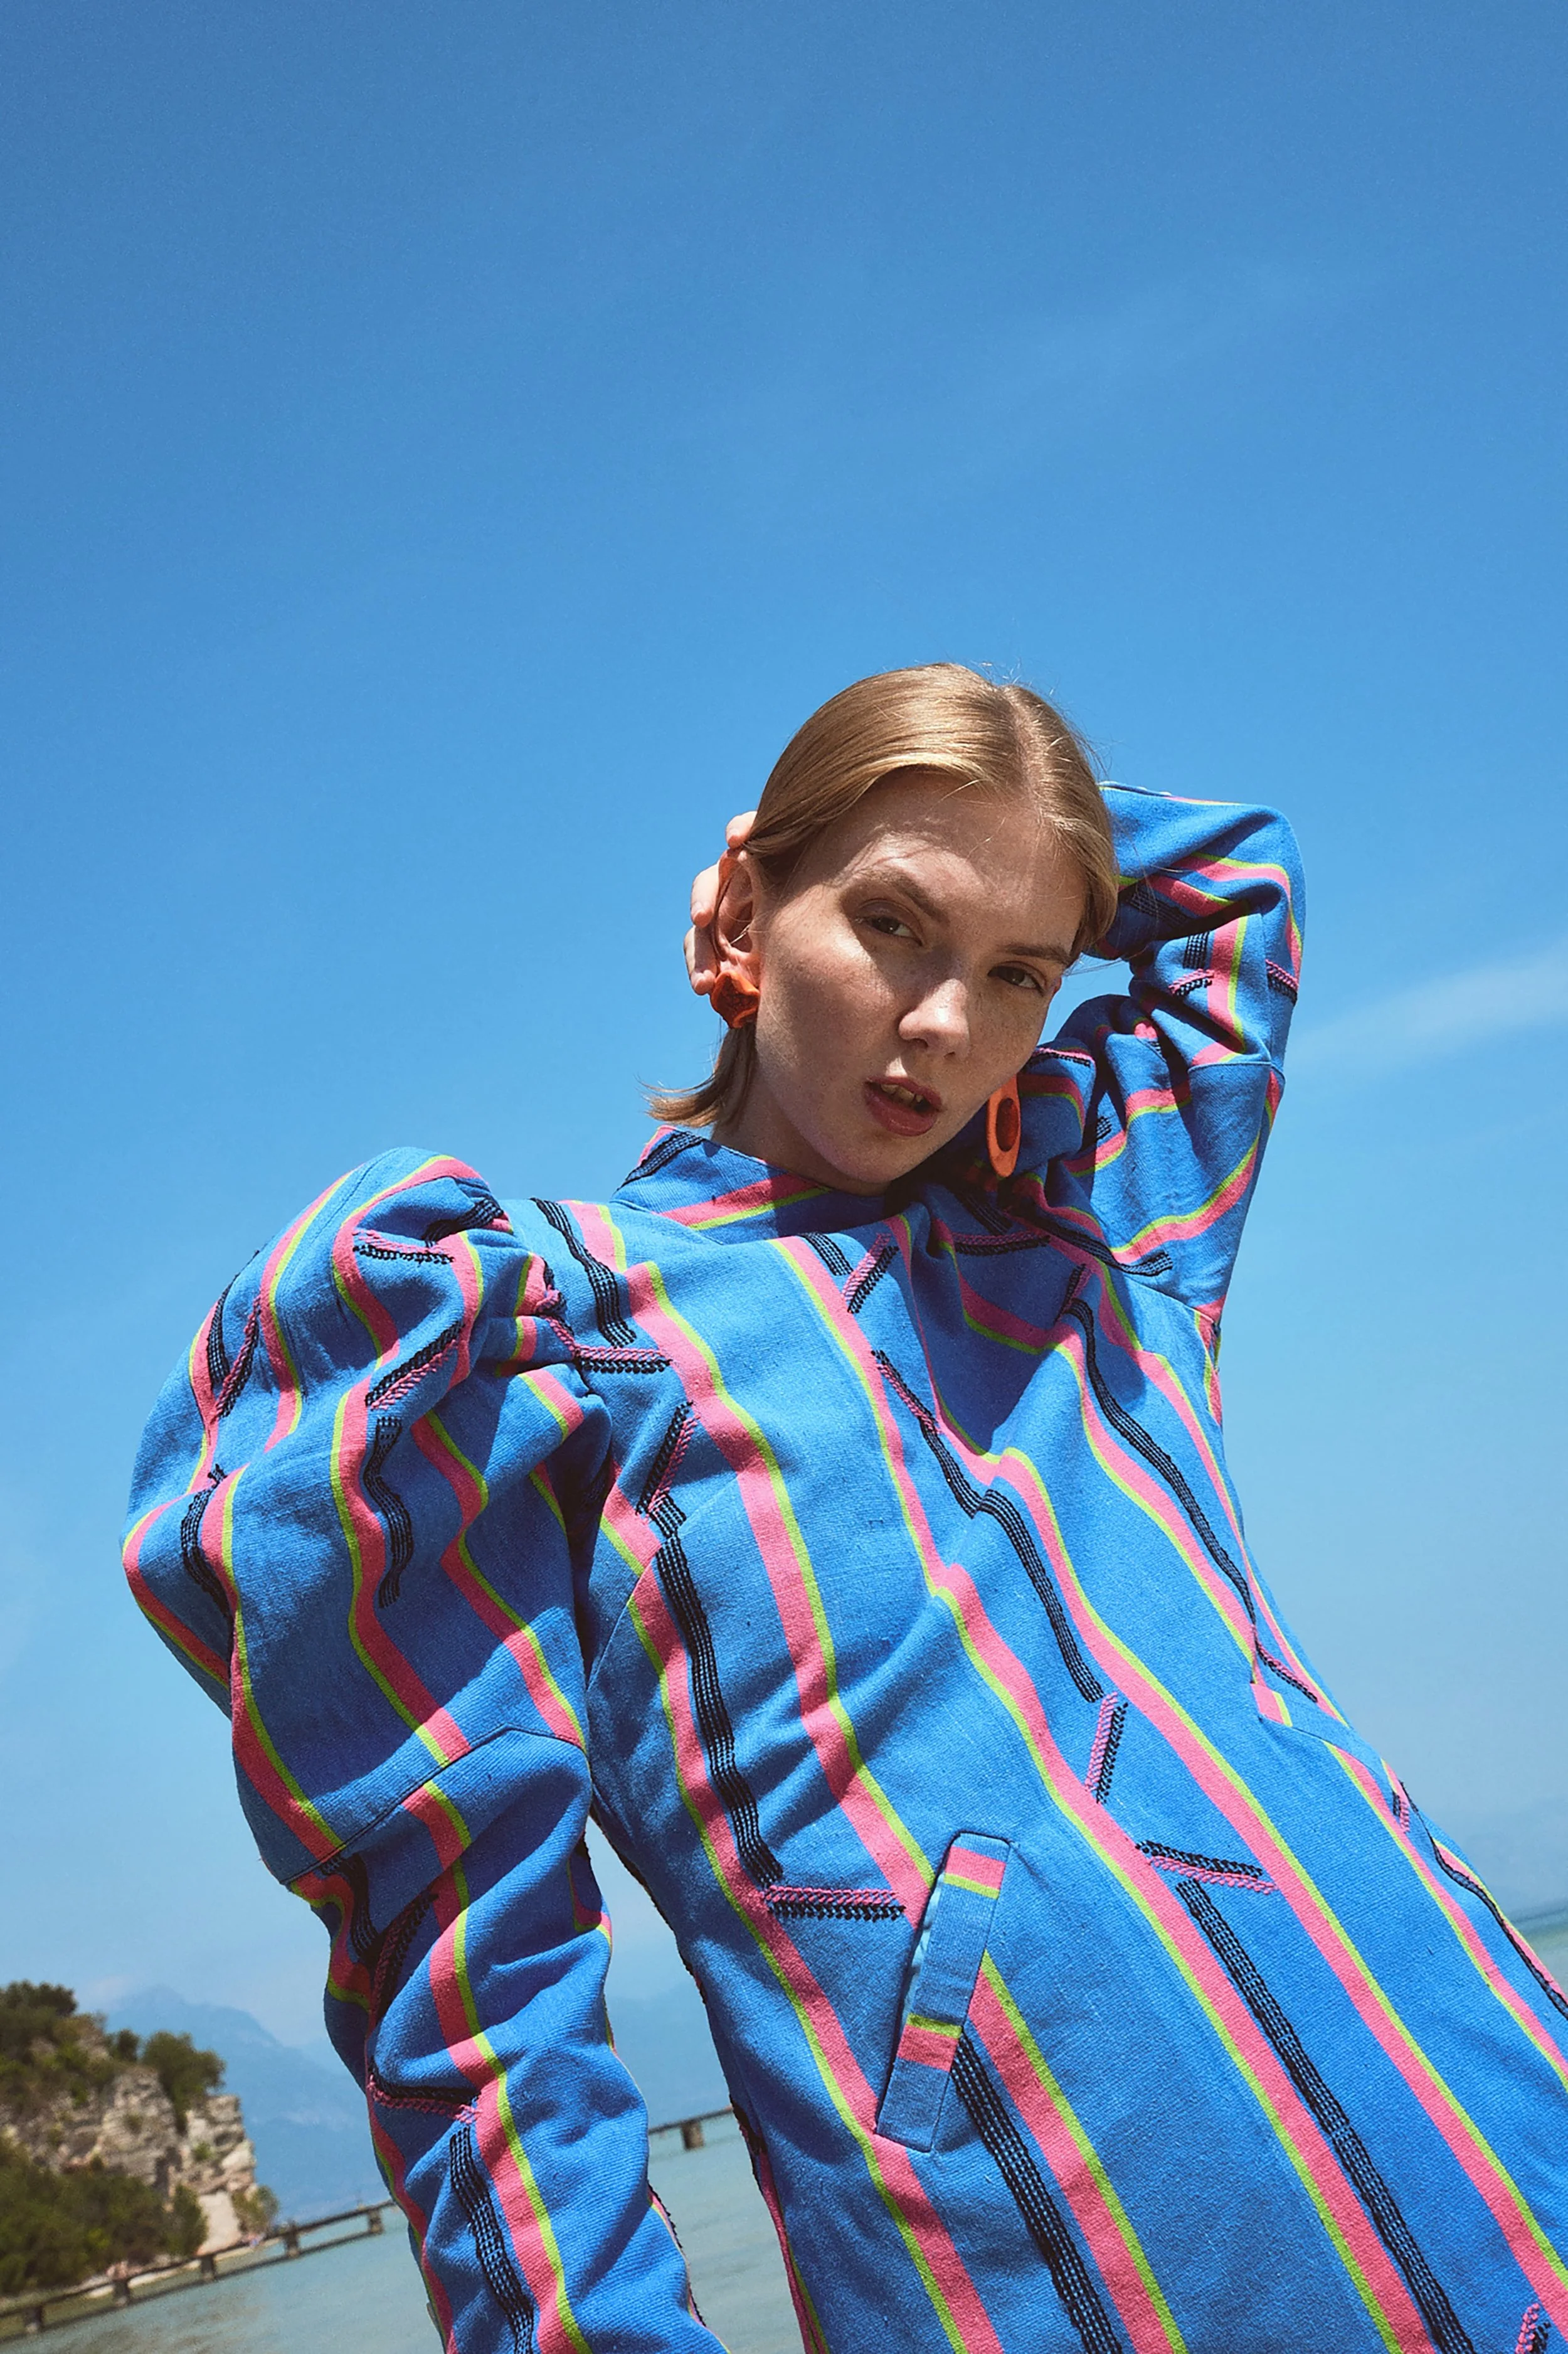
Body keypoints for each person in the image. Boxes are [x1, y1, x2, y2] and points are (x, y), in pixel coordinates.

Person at [124, 665, 1566, 2354]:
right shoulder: (543, 1346)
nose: (950, 1022)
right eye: (892, 925)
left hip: (1505, 2147)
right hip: (1051, 2288)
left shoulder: (1097, 1231)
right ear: (735, 922)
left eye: (1018, 971)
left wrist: (1016, 817)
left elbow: (1240, 891)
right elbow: (476, 1986)